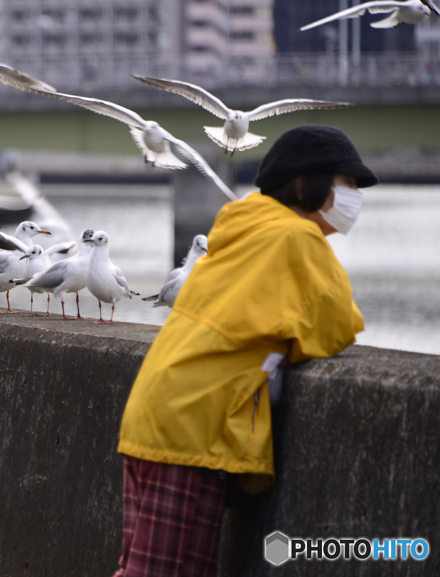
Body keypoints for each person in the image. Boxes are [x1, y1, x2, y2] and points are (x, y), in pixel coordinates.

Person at [112, 125, 378, 577]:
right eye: (346, 183)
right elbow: (339, 323)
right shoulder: (295, 238)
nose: (353, 196)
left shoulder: (248, 226)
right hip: (192, 425)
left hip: (166, 411)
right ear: (304, 184)